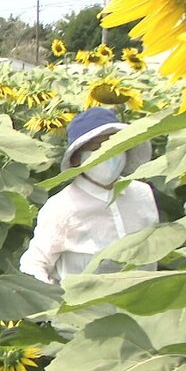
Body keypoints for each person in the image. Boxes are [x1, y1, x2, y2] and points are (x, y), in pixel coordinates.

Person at [19, 107, 157, 284]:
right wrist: (51, 299)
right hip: (88, 309)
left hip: (143, 304)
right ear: (77, 158)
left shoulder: (142, 193)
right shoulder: (63, 207)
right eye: (97, 147)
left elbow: (155, 247)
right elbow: (34, 263)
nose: (109, 154)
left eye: (115, 145)